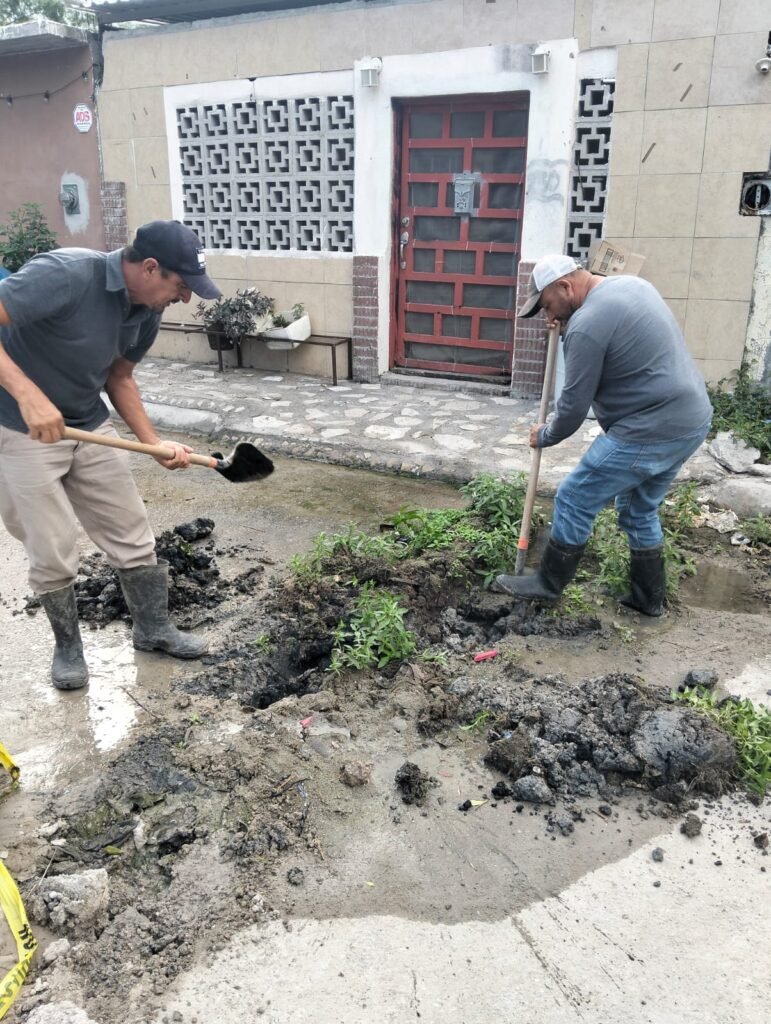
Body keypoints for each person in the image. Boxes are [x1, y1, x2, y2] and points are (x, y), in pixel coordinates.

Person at [0, 219, 222, 690]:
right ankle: (68, 649)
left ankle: (153, 629)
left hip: (86, 420)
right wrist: (26, 394)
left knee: (131, 528)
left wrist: (152, 443)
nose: (184, 298)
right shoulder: (66, 274)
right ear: (149, 267)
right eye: (181, 286)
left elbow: (119, 378)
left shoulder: (146, 308)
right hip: (18, 426)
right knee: (52, 545)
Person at [495, 254, 712, 616]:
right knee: (638, 508)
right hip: (690, 420)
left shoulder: (587, 324)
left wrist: (544, 435)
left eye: (549, 306)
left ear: (565, 286)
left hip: (651, 427)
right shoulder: (630, 285)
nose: (550, 318)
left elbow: (572, 411)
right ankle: (647, 602)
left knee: (574, 496)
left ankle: (548, 584)